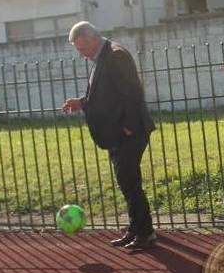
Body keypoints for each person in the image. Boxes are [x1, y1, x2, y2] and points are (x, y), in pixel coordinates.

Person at [61, 21, 157, 249]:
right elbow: (105, 95)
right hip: (117, 135)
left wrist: (128, 128)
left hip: (130, 133)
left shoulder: (115, 55)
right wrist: (81, 103)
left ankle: (145, 233)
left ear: (93, 39)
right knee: (126, 183)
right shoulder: (102, 57)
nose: (82, 55)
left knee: (130, 183)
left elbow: (133, 93)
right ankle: (136, 228)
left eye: (83, 48)